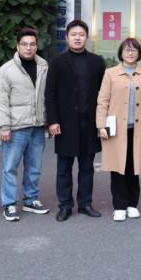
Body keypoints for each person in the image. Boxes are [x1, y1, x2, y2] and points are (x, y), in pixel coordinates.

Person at [45, 20, 106, 222]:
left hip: (89, 123)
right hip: (65, 124)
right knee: (64, 168)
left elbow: (103, 93)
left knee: (87, 166)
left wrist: (102, 122)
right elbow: (50, 93)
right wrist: (52, 121)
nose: (77, 38)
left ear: (87, 37)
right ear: (67, 37)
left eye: (81, 34)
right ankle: (65, 206)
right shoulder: (57, 62)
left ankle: (85, 203)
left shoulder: (97, 62)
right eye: (74, 34)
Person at [0, 27, 49, 222]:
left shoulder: (43, 66)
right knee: (10, 167)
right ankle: (9, 203)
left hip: (37, 126)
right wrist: (3, 126)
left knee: (34, 166)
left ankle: (30, 200)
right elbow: (0, 101)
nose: (29, 48)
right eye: (24, 44)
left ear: (37, 46)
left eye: (32, 44)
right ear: (17, 46)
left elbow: (46, 96)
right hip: (15, 127)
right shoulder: (5, 71)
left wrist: (48, 121)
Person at [96, 38, 141, 222]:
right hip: (116, 129)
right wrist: (101, 125)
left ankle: (132, 204)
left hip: (139, 129)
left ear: (139, 53)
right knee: (117, 168)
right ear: (121, 52)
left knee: (134, 167)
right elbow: (102, 100)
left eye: (134, 50)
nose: (130, 53)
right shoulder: (110, 73)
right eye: (127, 50)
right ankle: (119, 206)